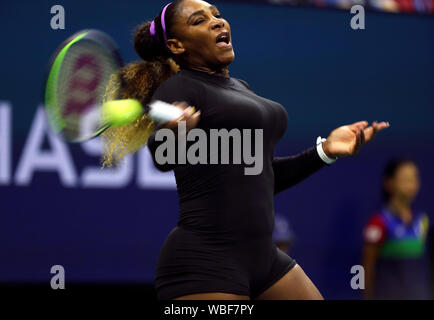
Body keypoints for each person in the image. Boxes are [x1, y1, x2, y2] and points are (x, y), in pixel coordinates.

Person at [101, 0, 389, 300]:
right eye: (199, 20)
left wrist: (325, 151)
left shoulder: (242, 88)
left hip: (264, 259)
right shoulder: (179, 88)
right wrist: (175, 133)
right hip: (205, 261)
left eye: (217, 15)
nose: (217, 22)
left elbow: (262, 176)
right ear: (176, 45)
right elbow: (161, 157)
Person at [362, 157, 430, 299]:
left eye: (414, 178)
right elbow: (366, 269)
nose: (412, 184)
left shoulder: (422, 222)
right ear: (389, 183)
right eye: (405, 179)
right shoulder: (378, 224)